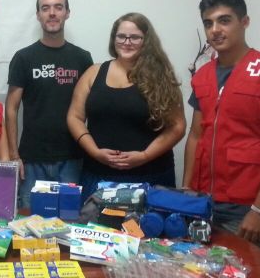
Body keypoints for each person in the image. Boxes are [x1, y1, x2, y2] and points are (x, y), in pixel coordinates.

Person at [183, 0, 260, 247]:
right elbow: (196, 135)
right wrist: (186, 190)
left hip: (247, 205)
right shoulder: (202, 75)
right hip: (203, 201)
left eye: (224, 20)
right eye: (208, 23)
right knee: (200, 275)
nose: (215, 30)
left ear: (244, 22)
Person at [68, 12, 186, 202]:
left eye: (135, 37)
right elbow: (74, 117)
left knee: (149, 232)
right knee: (94, 231)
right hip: (97, 176)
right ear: (114, 39)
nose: (127, 42)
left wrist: (145, 156)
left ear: (146, 40)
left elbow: (178, 126)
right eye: (121, 36)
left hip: (151, 177)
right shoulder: (93, 73)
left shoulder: (162, 77)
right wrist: (94, 152)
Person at [6, 0, 93, 208]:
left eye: (58, 7)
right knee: (29, 227)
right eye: (45, 8)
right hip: (32, 160)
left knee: (69, 223)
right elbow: (11, 108)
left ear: (67, 13)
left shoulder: (82, 58)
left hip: (72, 159)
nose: (52, 13)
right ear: (38, 15)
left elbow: (91, 108)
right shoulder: (23, 58)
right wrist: (14, 156)